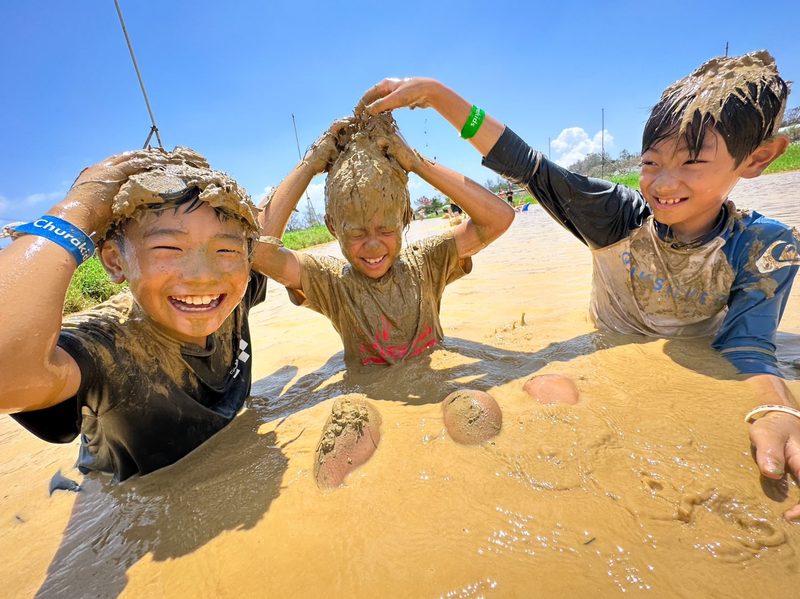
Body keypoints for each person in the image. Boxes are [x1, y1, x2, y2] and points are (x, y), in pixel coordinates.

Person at [358, 50, 800, 519]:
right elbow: (529, 166)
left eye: (692, 161)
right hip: (610, 346)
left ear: (757, 159)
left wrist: (777, 410)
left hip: (696, 361)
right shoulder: (615, 217)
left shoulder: (766, 246)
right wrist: (437, 95)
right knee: (551, 392)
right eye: (651, 163)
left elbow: (748, 346)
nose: (664, 183)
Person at [0, 148, 269, 482]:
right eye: (169, 248)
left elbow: (269, 230)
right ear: (114, 261)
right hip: (129, 497)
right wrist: (75, 211)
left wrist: (312, 163)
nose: (203, 275)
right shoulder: (105, 345)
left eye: (227, 250)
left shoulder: (231, 298)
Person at [257, 112, 514, 369]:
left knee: (474, 406)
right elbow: (260, 252)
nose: (373, 246)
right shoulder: (331, 282)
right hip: (367, 396)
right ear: (333, 227)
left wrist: (415, 163)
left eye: (386, 230)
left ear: (404, 217)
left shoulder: (427, 263)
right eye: (357, 234)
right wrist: (311, 163)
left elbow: (498, 218)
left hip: (433, 376)